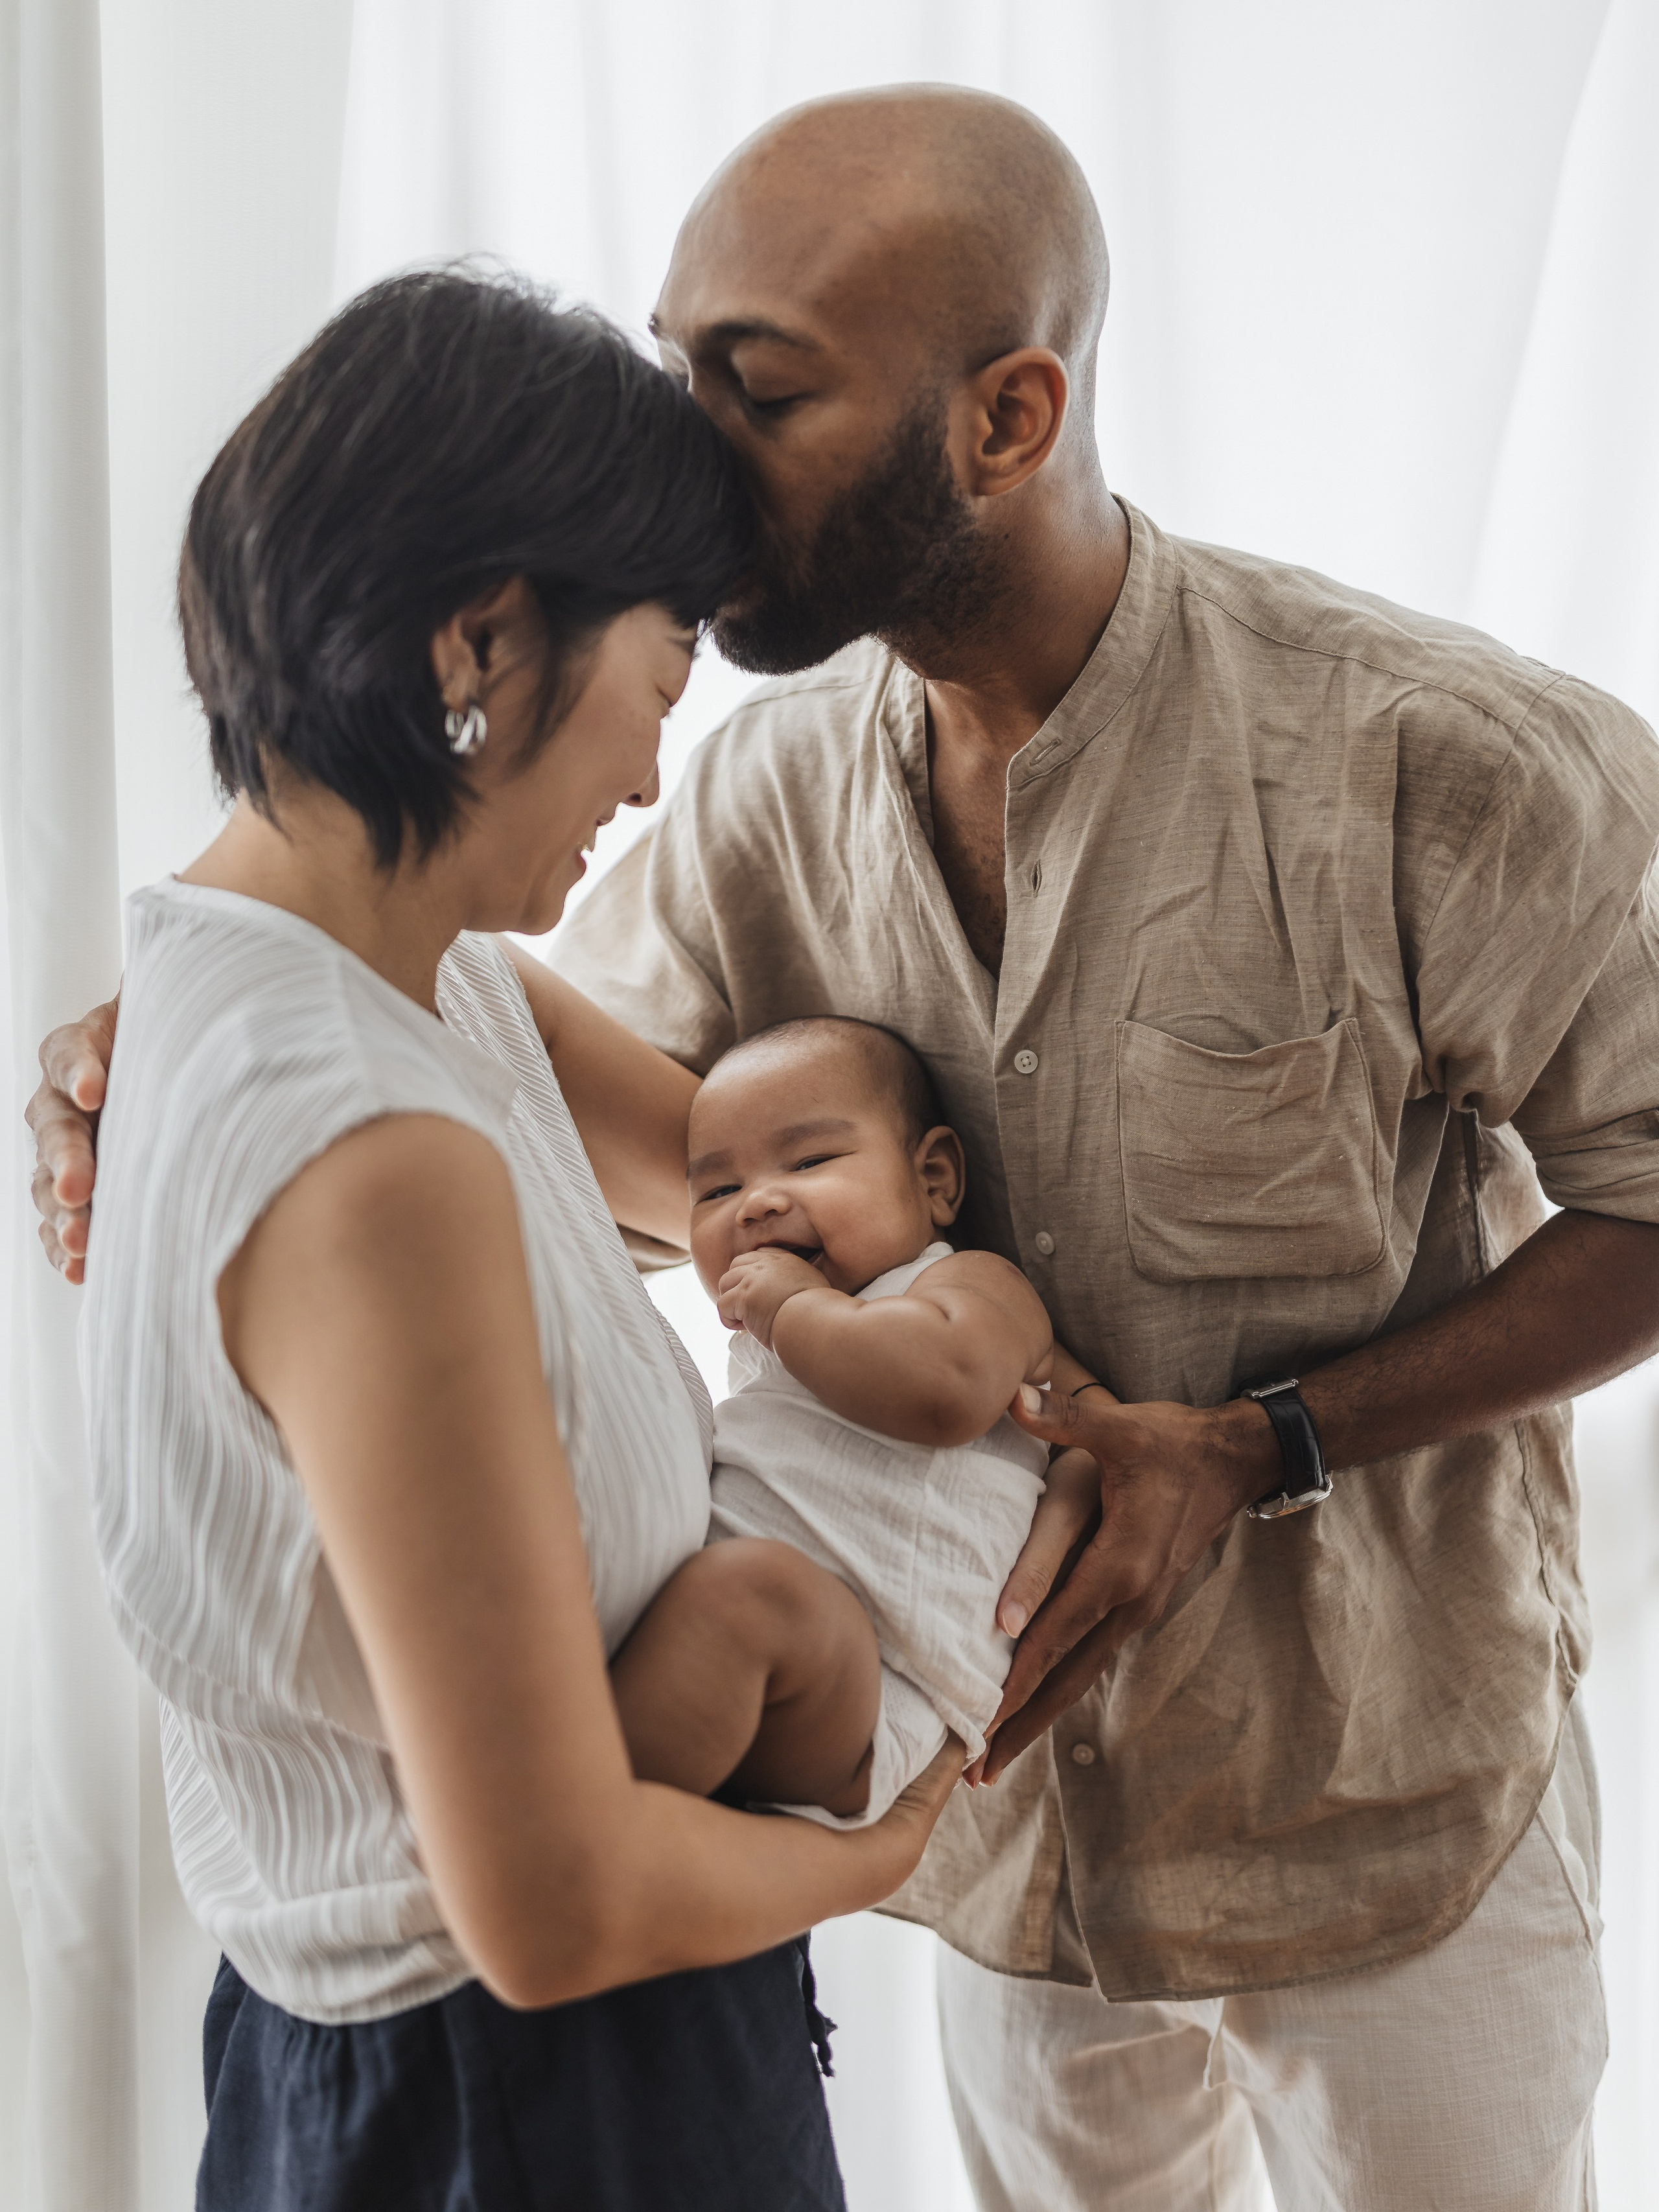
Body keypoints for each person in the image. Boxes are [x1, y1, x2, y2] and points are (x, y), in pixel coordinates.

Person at [32, 84, 1659, 2212]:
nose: (688, 447)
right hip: (1013, 1852)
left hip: (1379, 1817)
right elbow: (516, 1116)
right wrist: (206, 1017)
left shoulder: (1429, 758)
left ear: (1007, 417)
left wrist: (1265, 1439)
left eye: (759, 385)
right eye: (676, 362)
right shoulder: (745, 807)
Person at [59, 266, 960, 2212]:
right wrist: (884, 1847)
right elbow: (551, 1904)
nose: (648, 778)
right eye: (661, 691)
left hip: (391, 2063)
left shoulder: (387, 973)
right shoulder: (370, 1148)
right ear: (481, 636)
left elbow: (746, 1187)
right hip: (531, 2096)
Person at [612, 1014, 1101, 1827]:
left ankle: (576, 1830)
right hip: (743, 1657)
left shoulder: (967, 1285)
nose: (758, 1203)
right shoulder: (767, 1355)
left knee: (748, 1597)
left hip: (875, 1681)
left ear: (934, 1179)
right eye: (717, 1191)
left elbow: (947, 1391)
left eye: (810, 1161)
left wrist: (794, 1308)